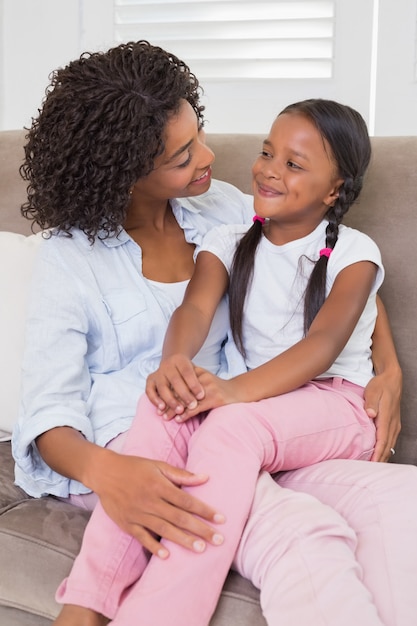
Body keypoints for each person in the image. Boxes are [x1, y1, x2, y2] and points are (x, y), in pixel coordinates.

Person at [10, 41, 414, 626]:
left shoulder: (224, 210)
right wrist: (109, 473)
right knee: (297, 533)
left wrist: (391, 367)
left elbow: (327, 275)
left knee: (390, 505)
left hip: (234, 423)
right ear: (125, 173)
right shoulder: (69, 261)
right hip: (132, 445)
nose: (208, 155)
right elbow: (48, 413)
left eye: (199, 133)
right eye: (182, 155)